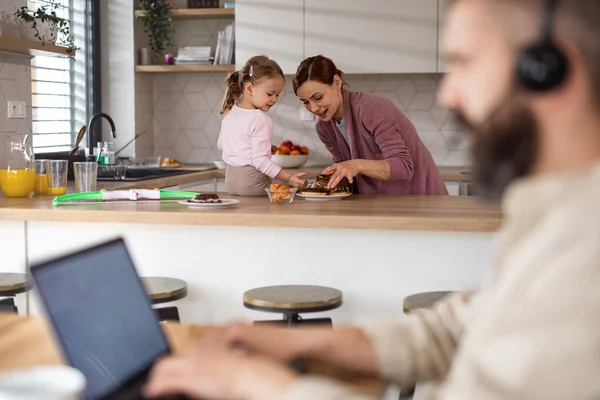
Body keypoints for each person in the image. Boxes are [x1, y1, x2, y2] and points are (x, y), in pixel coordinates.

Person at [145, 0, 600, 399]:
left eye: (467, 62)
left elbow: (398, 166)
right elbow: (447, 332)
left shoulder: (584, 249)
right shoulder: (550, 213)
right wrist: (296, 344)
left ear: (548, 69)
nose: (449, 92)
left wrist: (255, 384)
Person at [293, 55, 447, 195]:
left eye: (318, 97)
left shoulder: (371, 108)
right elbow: (346, 172)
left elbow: (404, 167)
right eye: (306, 102)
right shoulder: (324, 127)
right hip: (381, 204)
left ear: (336, 82)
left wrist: (356, 165)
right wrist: (322, 184)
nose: (313, 108)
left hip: (421, 198)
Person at [217, 55, 307, 196]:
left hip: (230, 182)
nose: (275, 99)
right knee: (287, 192)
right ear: (249, 88)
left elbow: (222, 145)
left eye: (278, 94)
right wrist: (289, 177)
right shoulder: (260, 119)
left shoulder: (230, 113)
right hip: (252, 182)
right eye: (270, 93)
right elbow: (260, 161)